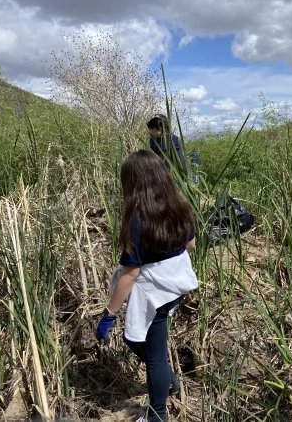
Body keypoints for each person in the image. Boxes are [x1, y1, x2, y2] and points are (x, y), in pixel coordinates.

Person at [96, 150, 197, 422]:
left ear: (133, 182)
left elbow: (130, 274)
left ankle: (158, 414)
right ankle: (169, 380)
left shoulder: (138, 220)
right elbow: (191, 244)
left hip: (157, 294)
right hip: (175, 285)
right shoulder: (181, 206)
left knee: (153, 357)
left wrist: (109, 315)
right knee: (134, 337)